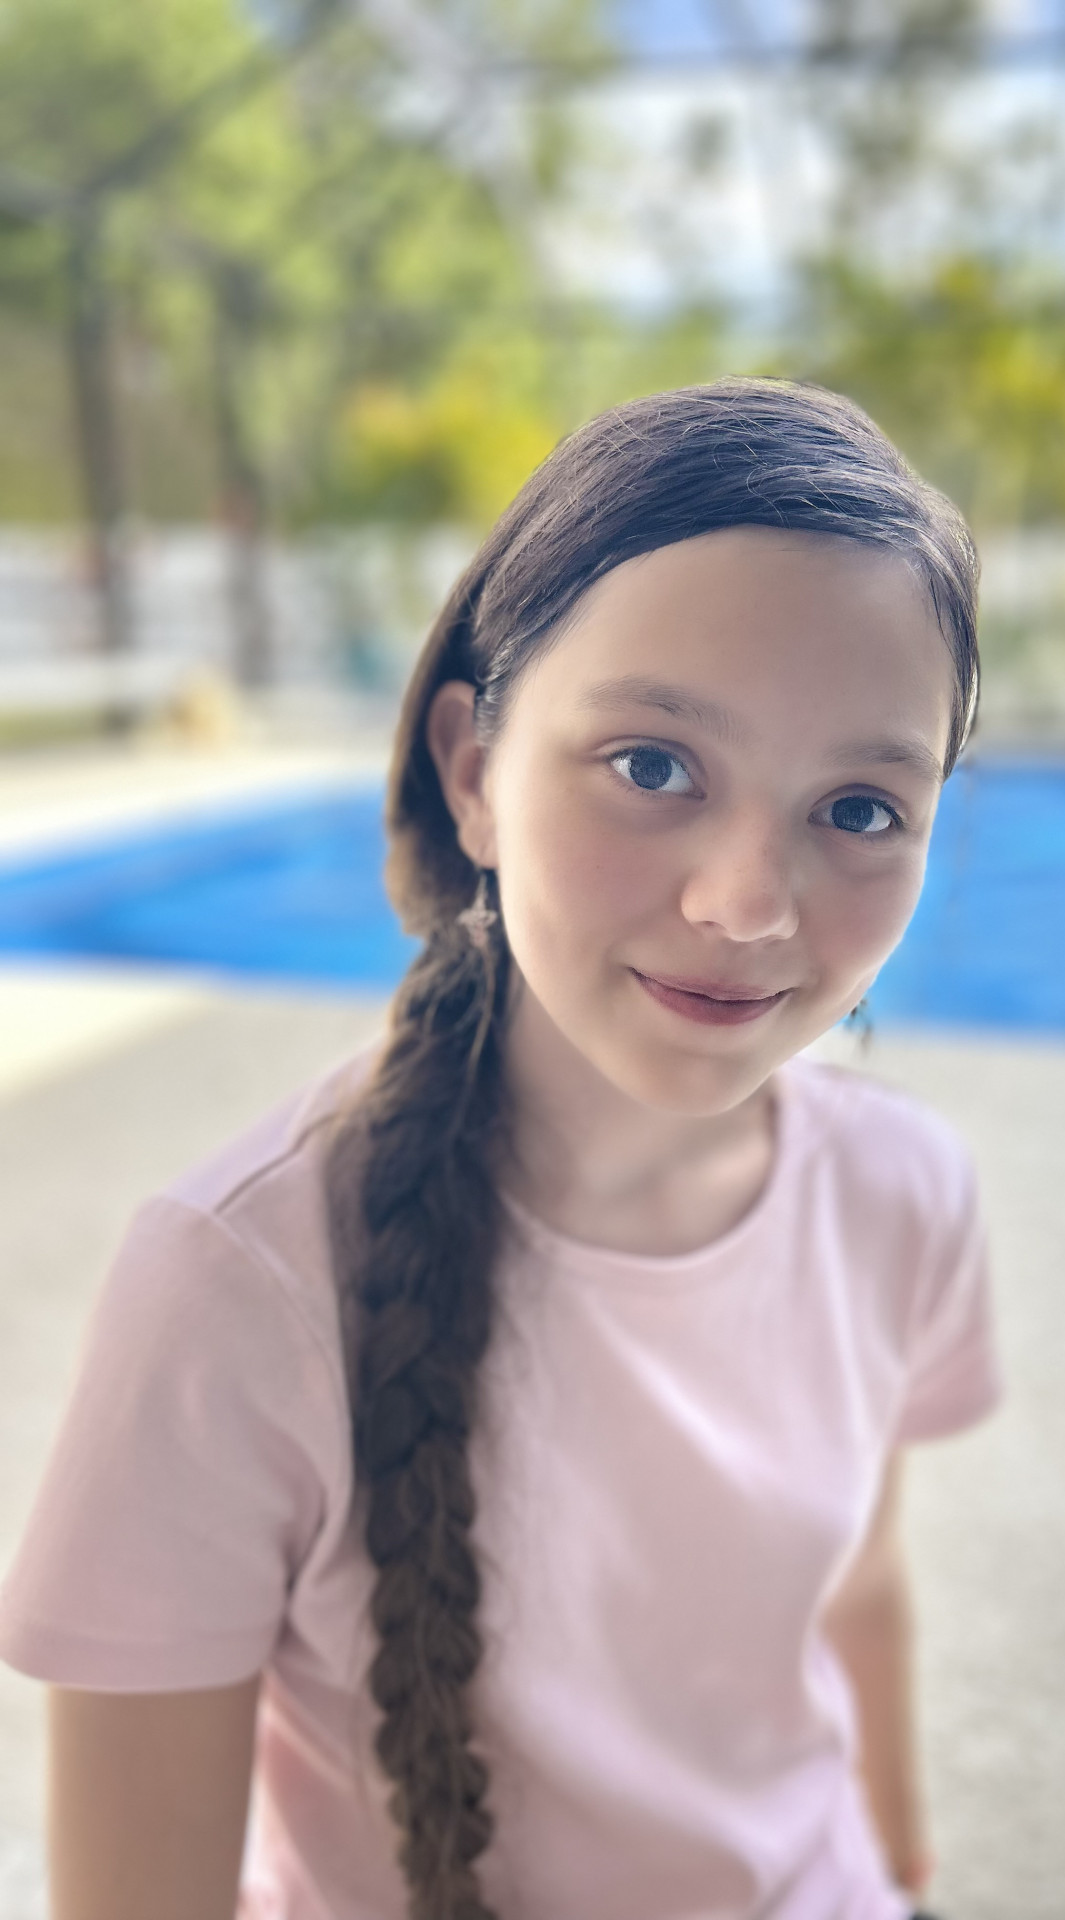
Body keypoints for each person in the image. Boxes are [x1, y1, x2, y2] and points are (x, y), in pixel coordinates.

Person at [0, 379, 998, 1920]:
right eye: (653, 765)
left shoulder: (903, 1192)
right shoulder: (236, 1288)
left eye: (861, 808)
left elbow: (854, 1588)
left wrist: (908, 1870)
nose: (750, 903)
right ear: (474, 771)